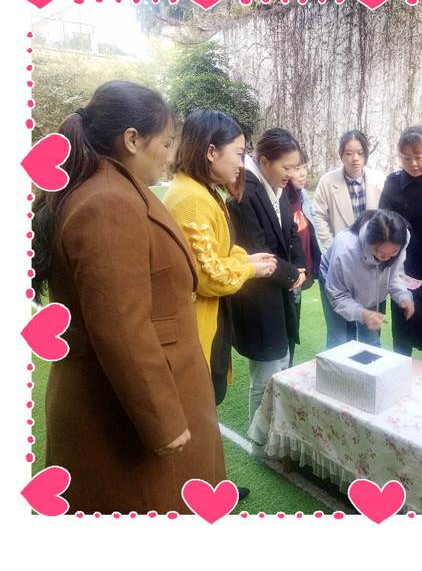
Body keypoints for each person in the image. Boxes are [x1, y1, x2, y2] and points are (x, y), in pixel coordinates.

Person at [31, 81, 226, 514]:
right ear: (132, 139)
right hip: (124, 417)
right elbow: (121, 326)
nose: (171, 156)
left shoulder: (113, 189)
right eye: (167, 143)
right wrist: (163, 422)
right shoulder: (108, 202)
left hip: (127, 401)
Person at [163, 109, 277, 405]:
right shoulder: (192, 199)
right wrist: (249, 270)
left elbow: (221, 249)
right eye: (238, 154)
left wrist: (246, 260)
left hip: (211, 318)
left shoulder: (205, 191)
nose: (242, 163)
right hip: (195, 326)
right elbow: (208, 275)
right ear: (211, 152)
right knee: (200, 405)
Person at [227, 128, 306, 429]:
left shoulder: (276, 187)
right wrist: (292, 274)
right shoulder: (245, 192)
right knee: (265, 376)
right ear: (263, 161)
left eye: (295, 167)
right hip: (259, 297)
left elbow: (292, 232)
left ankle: (274, 436)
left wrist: (300, 268)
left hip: (280, 290)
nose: (291, 174)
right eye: (286, 167)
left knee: (282, 364)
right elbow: (257, 249)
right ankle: (259, 443)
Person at [379, 125, 422, 362]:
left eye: (419, 156)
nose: (413, 164)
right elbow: (383, 226)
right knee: (403, 336)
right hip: (405, 270)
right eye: (406, 158)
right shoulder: (393, 183)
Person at [313, 130, 386, 347]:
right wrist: (332, 246)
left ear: (366, 153)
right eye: (349, 153)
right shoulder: (328, 182)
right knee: (339, 335)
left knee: (370, 334)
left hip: (370, 266)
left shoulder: (379, 180)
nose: (355, 158)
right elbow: (319, 216)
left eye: (360, 153)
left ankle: (371, 366)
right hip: (339, 264)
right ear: (341, 154)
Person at [319, 209, 414, 346]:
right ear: (369, 241)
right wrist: (363, 314)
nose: (386, 257)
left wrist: (403, 295)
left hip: (370, 288)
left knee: (371, 339)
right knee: (339, 339)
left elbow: (393, 273)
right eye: (380, 252)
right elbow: (337, 295)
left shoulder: (401, 238)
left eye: (394, 252)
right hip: (336, 285)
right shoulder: (345, 251)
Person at [284, 150, 321, 365]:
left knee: (294, 324)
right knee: (287, 327)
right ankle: (282, 370)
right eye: (296, 168)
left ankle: (287, 366)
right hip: (288, 275)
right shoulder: (282, 200)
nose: (302, 173)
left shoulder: (302, 196)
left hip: (301, 273)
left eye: (304, 167)